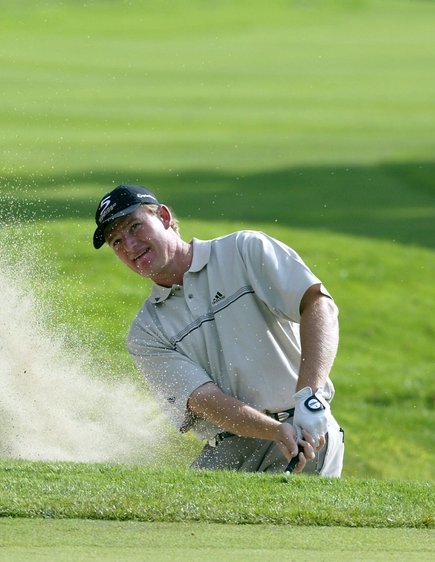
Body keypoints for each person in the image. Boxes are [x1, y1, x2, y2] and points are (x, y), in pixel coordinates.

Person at [93, 184, 344, 475]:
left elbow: (317, 304)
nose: (130, 246)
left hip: (302, 428)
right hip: (229, 445)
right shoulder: (147, 332)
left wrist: (309, 397)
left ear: (162, 217)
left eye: (135, 227)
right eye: (117, 242)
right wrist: (273, 431)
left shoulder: (243, 250)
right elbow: (204, 400)